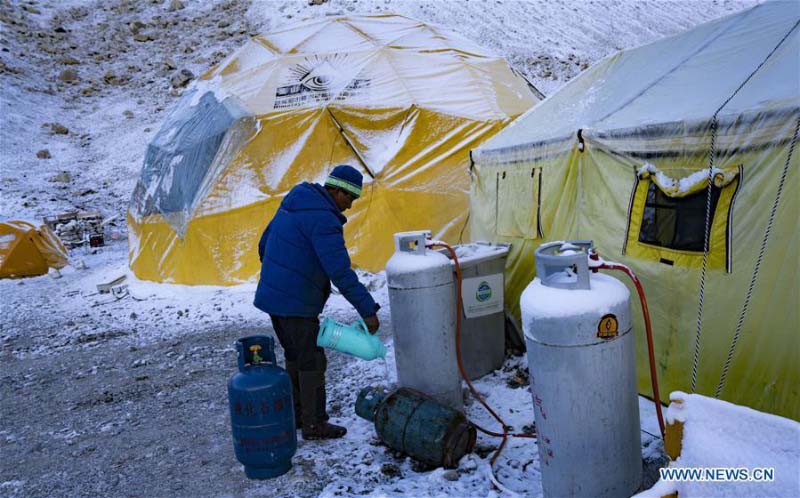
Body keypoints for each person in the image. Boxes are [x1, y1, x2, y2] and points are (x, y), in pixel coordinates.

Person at [254, 164, 380, 440]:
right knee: (311, 361)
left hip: (274, 298)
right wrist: (367, 309)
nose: (350, 206)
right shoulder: (324, 219)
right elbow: (340, 271)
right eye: (349, 198)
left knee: (294, 356)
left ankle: (298, 416)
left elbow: (264, 244)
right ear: (336, 190)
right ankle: (314, 424)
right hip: (296, 303)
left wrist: (283, 271)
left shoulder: (295, 202)